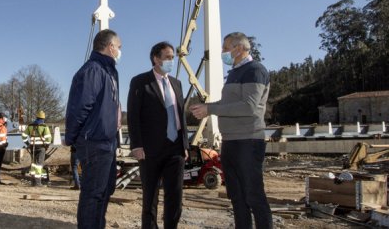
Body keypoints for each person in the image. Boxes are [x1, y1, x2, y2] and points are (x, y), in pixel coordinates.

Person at [189, 32, 272, 229]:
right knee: (237, 197)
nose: (222, 52)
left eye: (226, 48)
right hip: (231, 142)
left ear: (240, 48)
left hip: (248, 141)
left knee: (253, 196)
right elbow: (228, 104)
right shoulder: (235, 72)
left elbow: (249, 106)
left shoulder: (255, 70)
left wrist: (211, 109)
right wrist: (207, 107)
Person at [65, 29, 122, 229]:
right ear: (110, 47)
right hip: (94, 142)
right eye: (119, 47)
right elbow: (79, 108)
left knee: (105, 191)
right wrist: (71, 139)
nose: (120, 51)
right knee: (93, 194)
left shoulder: (108, 71)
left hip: (107, 142)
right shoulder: (93, 70)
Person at [127, 41, 188, 229]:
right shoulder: (140, 82)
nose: (172, 61)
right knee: (150, 197)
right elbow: (133, 115)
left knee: (175, 197)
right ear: (156, 58)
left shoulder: (177, 83)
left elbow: (181, 115)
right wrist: (136, 145)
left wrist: (185, 144)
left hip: (175, 148)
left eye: (173, 58)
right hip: (150, 150)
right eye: (168, 57)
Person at [22, 110, 52, 186]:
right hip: (41, 147)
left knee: (33, 164)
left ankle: (33, 181)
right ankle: (38, 183)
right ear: (43, 118)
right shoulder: (44, 126)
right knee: (39, 164)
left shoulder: (30, 126)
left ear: (37, 117)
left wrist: (27, 143)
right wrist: (47, 146)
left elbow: (24, 136)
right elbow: (48, 139)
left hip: (32, 147)